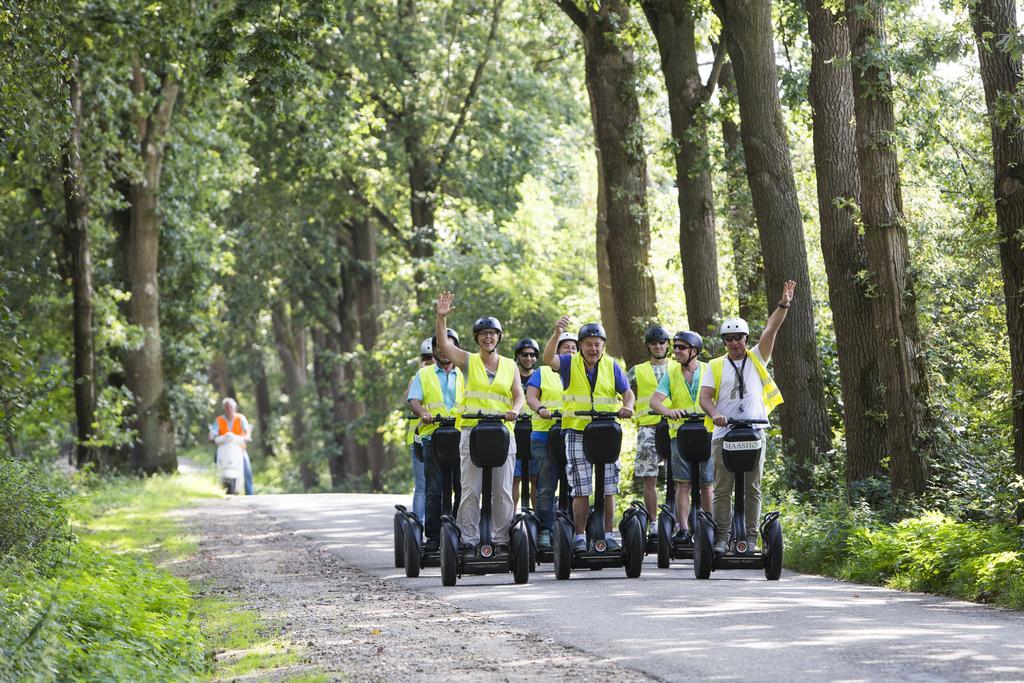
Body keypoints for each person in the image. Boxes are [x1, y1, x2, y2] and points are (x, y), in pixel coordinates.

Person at [699, 281, 794, 554]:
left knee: (752, 488)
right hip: (724, 434)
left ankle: (751, 539)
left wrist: (783, 303)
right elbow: (705, 398)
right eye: (729, 339)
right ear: (724, 342)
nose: (734, 343)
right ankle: (721, 538)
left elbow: (772, 328)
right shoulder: (714, 366)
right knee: (722, 489)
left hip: (754, 432)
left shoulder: (757, 358)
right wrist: (716, 415)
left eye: (739, 338)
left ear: (746, 339)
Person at [434, 292, 524, 559]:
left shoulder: (510, 365)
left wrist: (514, 410)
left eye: (492, 334)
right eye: (483, 334)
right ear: (477, 339)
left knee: (503, 491)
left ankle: (502, 539)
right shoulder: (469, 360)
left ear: (499, 337)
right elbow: (444, 347)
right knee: (470, 490)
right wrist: (441, 317)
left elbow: (518, 394)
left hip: (502, 432)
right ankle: (469, 540)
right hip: (472, 431)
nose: (488, 338)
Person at [543, 317, 635, 553]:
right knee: (581, 487)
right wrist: (557, 333)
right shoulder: (568, 363)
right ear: (581, 345)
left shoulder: (612, 365)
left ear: (603, 345)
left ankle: (608, 534)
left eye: (597, 344)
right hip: (577, 430)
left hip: (606, 432)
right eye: (588, 344)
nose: (593, 349)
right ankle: (580, 536)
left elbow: (627, 392)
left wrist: (628, 406)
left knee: (608, 486)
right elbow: (547, 359)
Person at [650, 330, 711, 542]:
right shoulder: (672, 373)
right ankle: (683, 529)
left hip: (706, 433)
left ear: (694, 351)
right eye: (675, 347)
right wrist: (668, 411)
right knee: (682, 483)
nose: (676, 351)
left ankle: (708, 526)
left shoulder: (709, 370)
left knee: (706, 483)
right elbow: (655, 401)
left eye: (681, 348)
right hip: (680, 436)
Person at [407, 328, 464, 552]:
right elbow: (413, 399)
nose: (444, 351)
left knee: (463, 487)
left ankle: (461, 532)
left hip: (461, 436)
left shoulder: (465, 374)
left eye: (448, 346)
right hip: (433, 436)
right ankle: (432, 537)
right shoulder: (425, 374)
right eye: (439, 346)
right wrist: (423, 413)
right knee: (435, 488)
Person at [526, 331, 578, 550]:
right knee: (546, 485)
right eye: (565, 347)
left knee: (573, 485)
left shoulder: (581, 372)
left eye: (574, 348)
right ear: (557, 350)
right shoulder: (542, 372)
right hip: (544, 434)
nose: (571, 351)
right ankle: (546, 530)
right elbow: (531, 397)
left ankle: (571, 527)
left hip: (572, 432)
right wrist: (541, 408)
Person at [627, 324, 672, 536]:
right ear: (648, 346)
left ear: (668, 344)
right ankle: (654, 522)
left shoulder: (677, 366)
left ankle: (678, 519)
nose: (658, 346)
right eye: (654, 343)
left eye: (662, 342)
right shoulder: (637, 370)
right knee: (649, 477)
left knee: (681, 478)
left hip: (675, 427)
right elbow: (622, 389)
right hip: (648, 427)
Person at [404, 339, 436, 523]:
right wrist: (420, 371)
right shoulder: (418, 377)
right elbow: (410, 399)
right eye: (426, 357)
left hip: (442, 437)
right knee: (422, 486)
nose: (430, 360)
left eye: (432, 357)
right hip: (419, 438)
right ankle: (418, 526)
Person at [512, 338, 541, 511]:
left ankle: (536, 520)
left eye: (532, 355)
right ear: (518, 356)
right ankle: (511, 517)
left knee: (535, 478)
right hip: (514, 430)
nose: (529, 358)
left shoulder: (540, 376)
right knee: (514, 478)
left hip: (535, 429)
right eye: (525, 355)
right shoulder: (511, 375)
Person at [209, 397, 254, 495]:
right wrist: (212, 437)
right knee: (216, 463)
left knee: (246, 470)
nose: (229, 410)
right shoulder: (219, 420)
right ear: (224, 408)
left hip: (238, 449)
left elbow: (247, 431)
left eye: (230, 407)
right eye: (226, 408)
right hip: (223, 449)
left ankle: (250, 494)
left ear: (234, 408)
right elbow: (213, 432)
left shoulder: (240, 418)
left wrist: (247, 437)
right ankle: (215, 487)